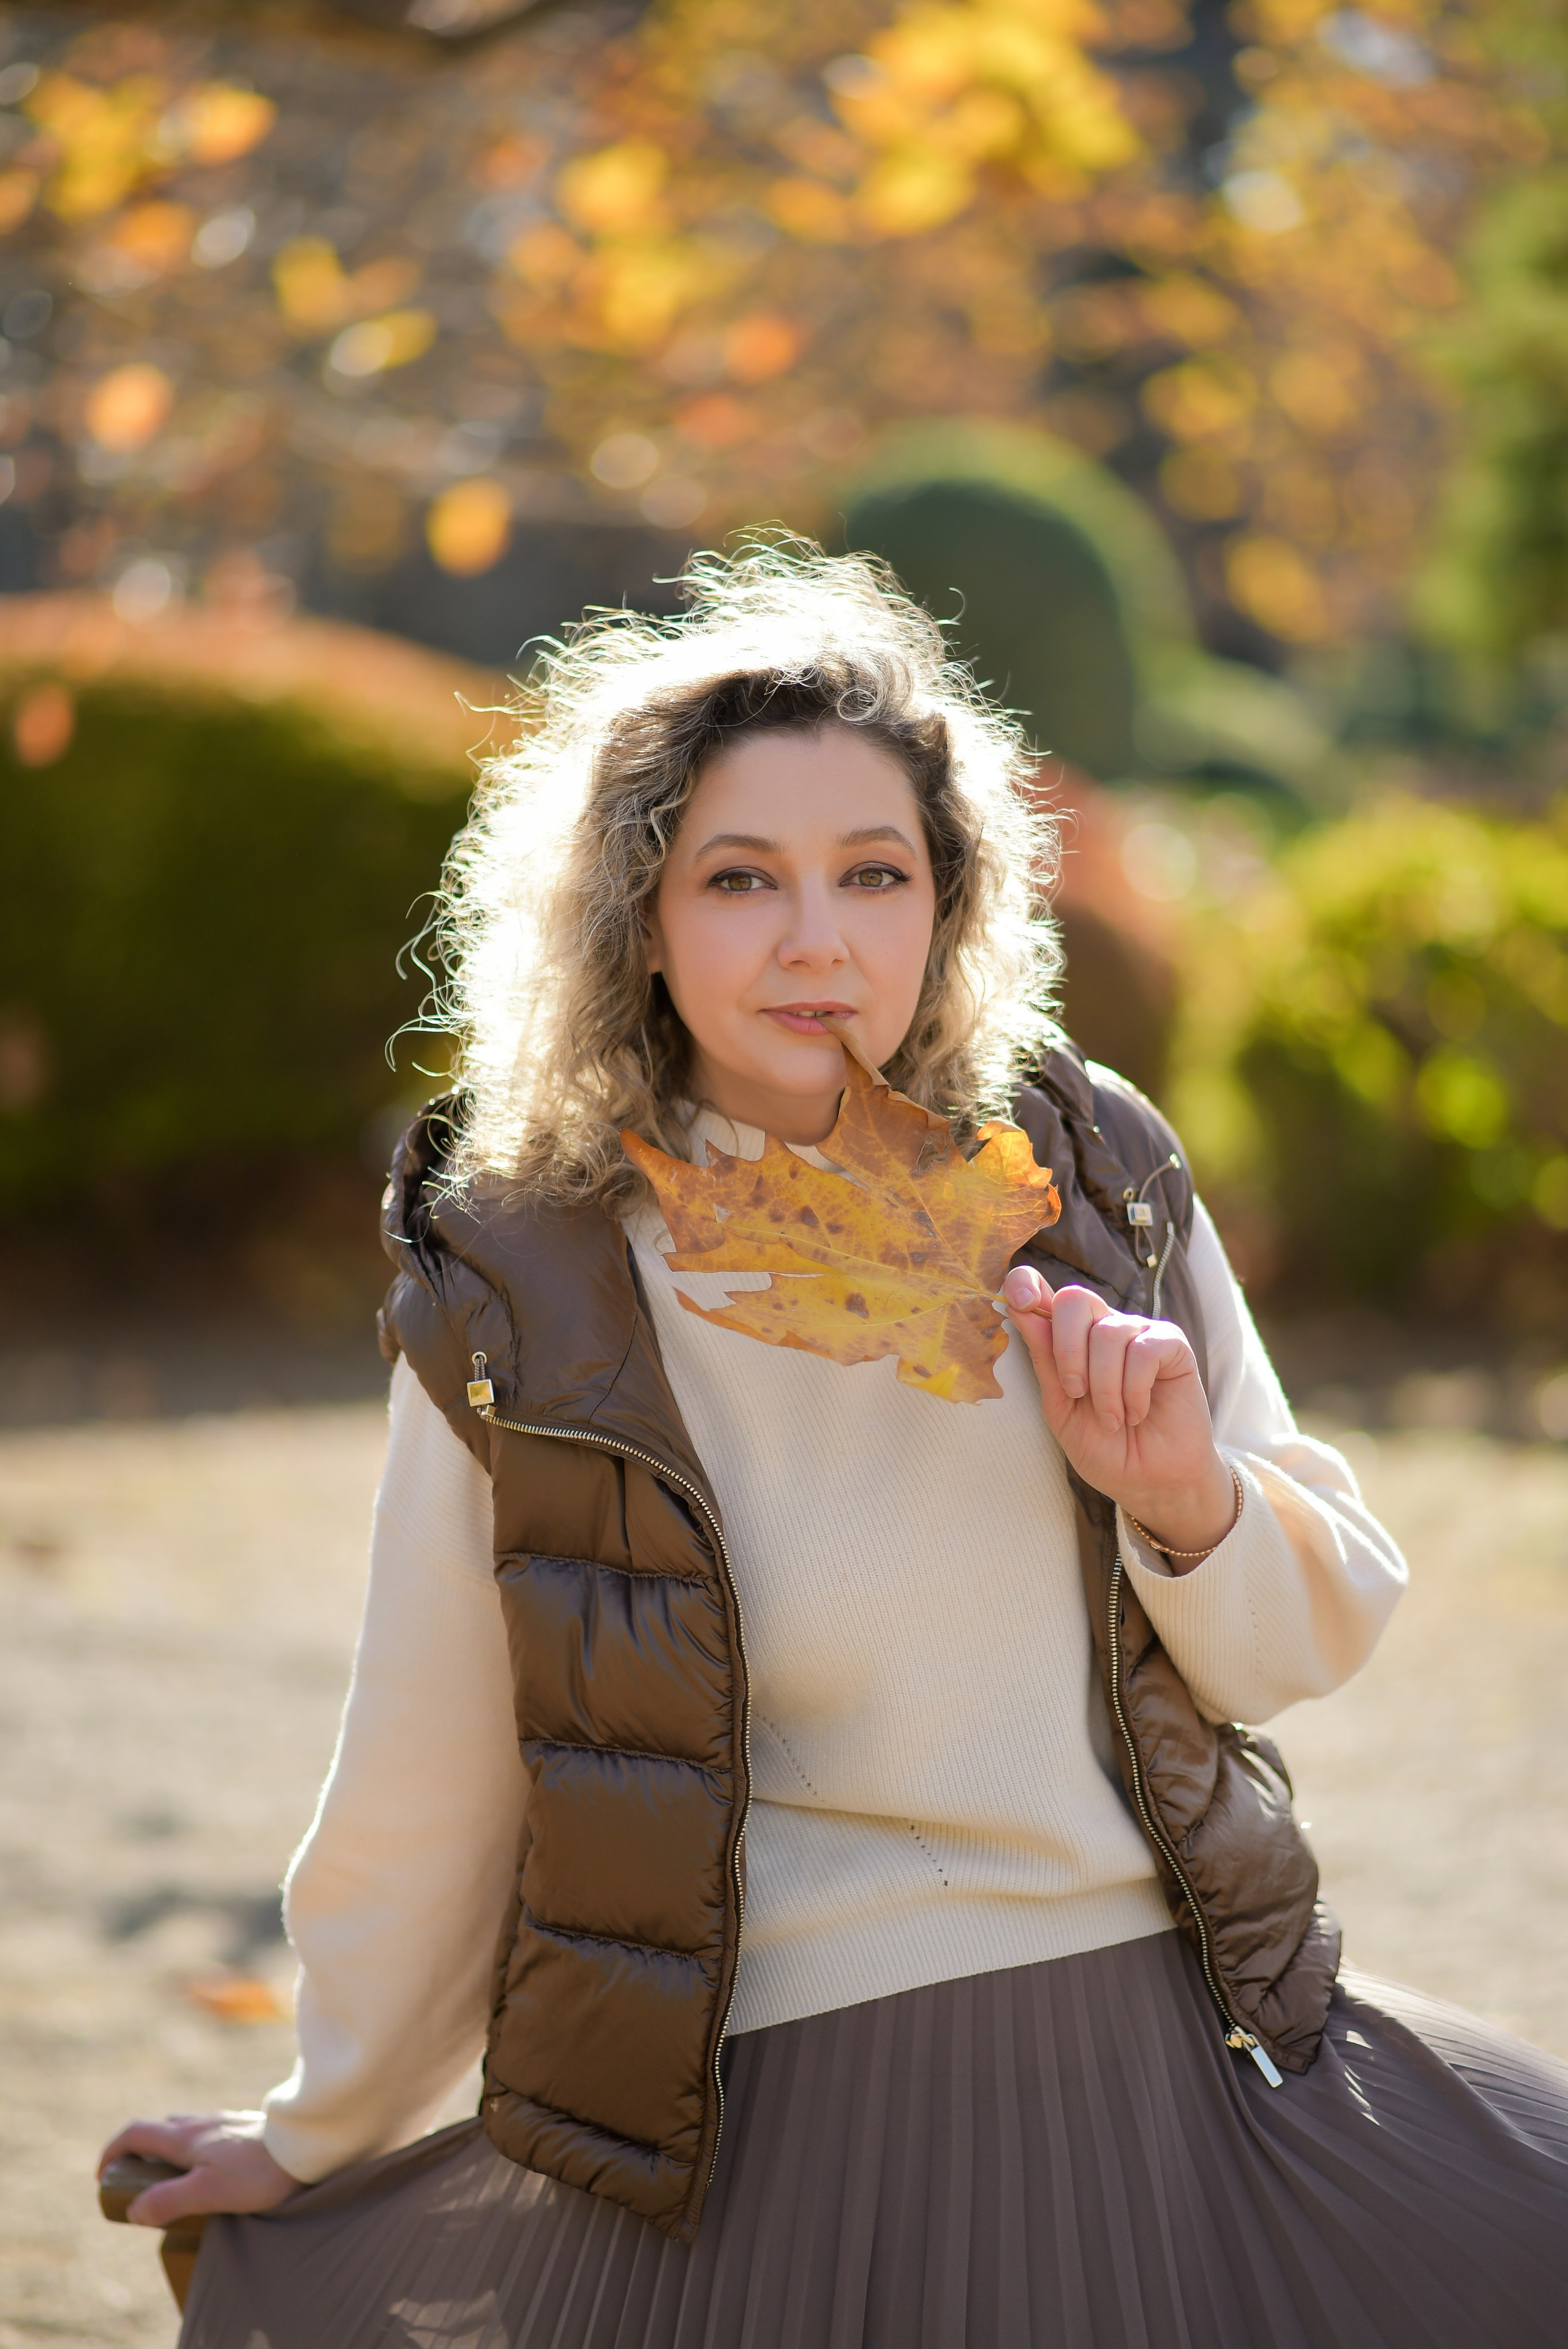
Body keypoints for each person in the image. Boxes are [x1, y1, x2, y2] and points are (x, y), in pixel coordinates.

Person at [100, 543, 1568, 2347]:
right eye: (742, 879)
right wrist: (318, 2129)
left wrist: (1182, 1495)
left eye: (876, 872)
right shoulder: (526, 1276)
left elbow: (1300, 1638)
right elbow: (427, 1772)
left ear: (949, 903)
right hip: (757, 2103)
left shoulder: (1083, 1174)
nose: (819, 937)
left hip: (1163, 2041)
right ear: (639, 916)